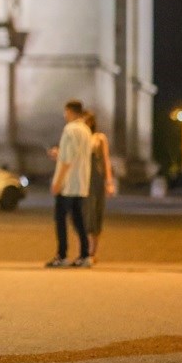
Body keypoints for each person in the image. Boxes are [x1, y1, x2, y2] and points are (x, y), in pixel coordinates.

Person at [46, 99, 93, 268]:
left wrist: (57, 181)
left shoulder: (70, 129)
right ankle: (85, 255)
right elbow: (77, 155)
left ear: (71, 111)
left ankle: (62, 255)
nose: (64, 115)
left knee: (60, 219)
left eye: (65, 112)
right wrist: (59, 154)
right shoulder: (86, 130)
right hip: (81, 182)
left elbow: (67, 159)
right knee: (79, 220)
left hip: (67, 183)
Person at [82, 112, 116, 262]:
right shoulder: (79, 137)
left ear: (91, 122)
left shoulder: (99, 138)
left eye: (86, 121)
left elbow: (106, 161)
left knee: (95, 213)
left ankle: (92, 252)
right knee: (83, 215)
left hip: (96, 180)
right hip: (82, 179)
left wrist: (109, 182)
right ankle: (84, 251)